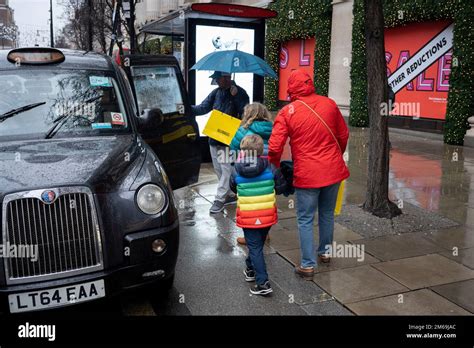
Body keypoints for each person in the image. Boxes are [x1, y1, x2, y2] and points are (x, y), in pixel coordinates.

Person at [268, 69, 349, 280]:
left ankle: (307, 264)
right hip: (332, 171)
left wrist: (275, 167)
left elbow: (275, 147)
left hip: (307, 174)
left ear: (291, 88)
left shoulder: (287, 112)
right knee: (327, 214)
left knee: (304, 218)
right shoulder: (329, 104)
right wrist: (335, 155)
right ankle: (325, 252)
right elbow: (343, 134)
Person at [230, 134, 286, 295]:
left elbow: (233, 188)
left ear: (242, 151)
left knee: (254, 247)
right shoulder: (270, 167)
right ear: (261, 150)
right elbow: (281, 187)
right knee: (257, 245)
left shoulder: (236, 170)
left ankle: (263, 284)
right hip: (267, 214)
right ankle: (250, 270)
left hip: (248, 215)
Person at [192, 71, 250, 214]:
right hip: (214, 135)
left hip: (228, 137)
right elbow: (203, 108)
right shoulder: (216, 92)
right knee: (218, 168)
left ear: (226, 78)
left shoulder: (240, 93)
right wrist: (185, 108)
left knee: (225, 168)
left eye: (218, 79)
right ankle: (230, 194)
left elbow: (245, 113)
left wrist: (236, 97)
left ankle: (219, 199)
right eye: (216, 79)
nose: (216, 81)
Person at [229, 102, 274, 245]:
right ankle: (264, 233)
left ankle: (249, 236)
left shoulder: (243, 130)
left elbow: (233, 149)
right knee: (265, 202)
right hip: (267, 170)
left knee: (247, 203)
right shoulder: (273, 129)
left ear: (247, 114)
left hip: (247, 171)